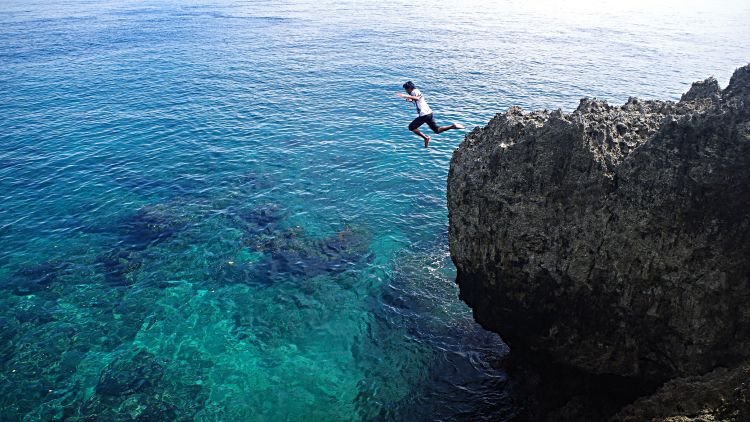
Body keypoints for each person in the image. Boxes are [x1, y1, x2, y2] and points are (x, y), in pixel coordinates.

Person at [395, 81, 464, 147]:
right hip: (429, 113)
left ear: (409, 88)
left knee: (411, 127)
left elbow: (417, 98)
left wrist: (405, 96)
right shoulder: (415, 92)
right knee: (437, 130)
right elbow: (417, 100)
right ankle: (452, 126)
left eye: (406, 90)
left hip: (424, 115)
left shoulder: (414, 91)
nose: (406, 91)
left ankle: (426, 138)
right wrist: (410, 100)